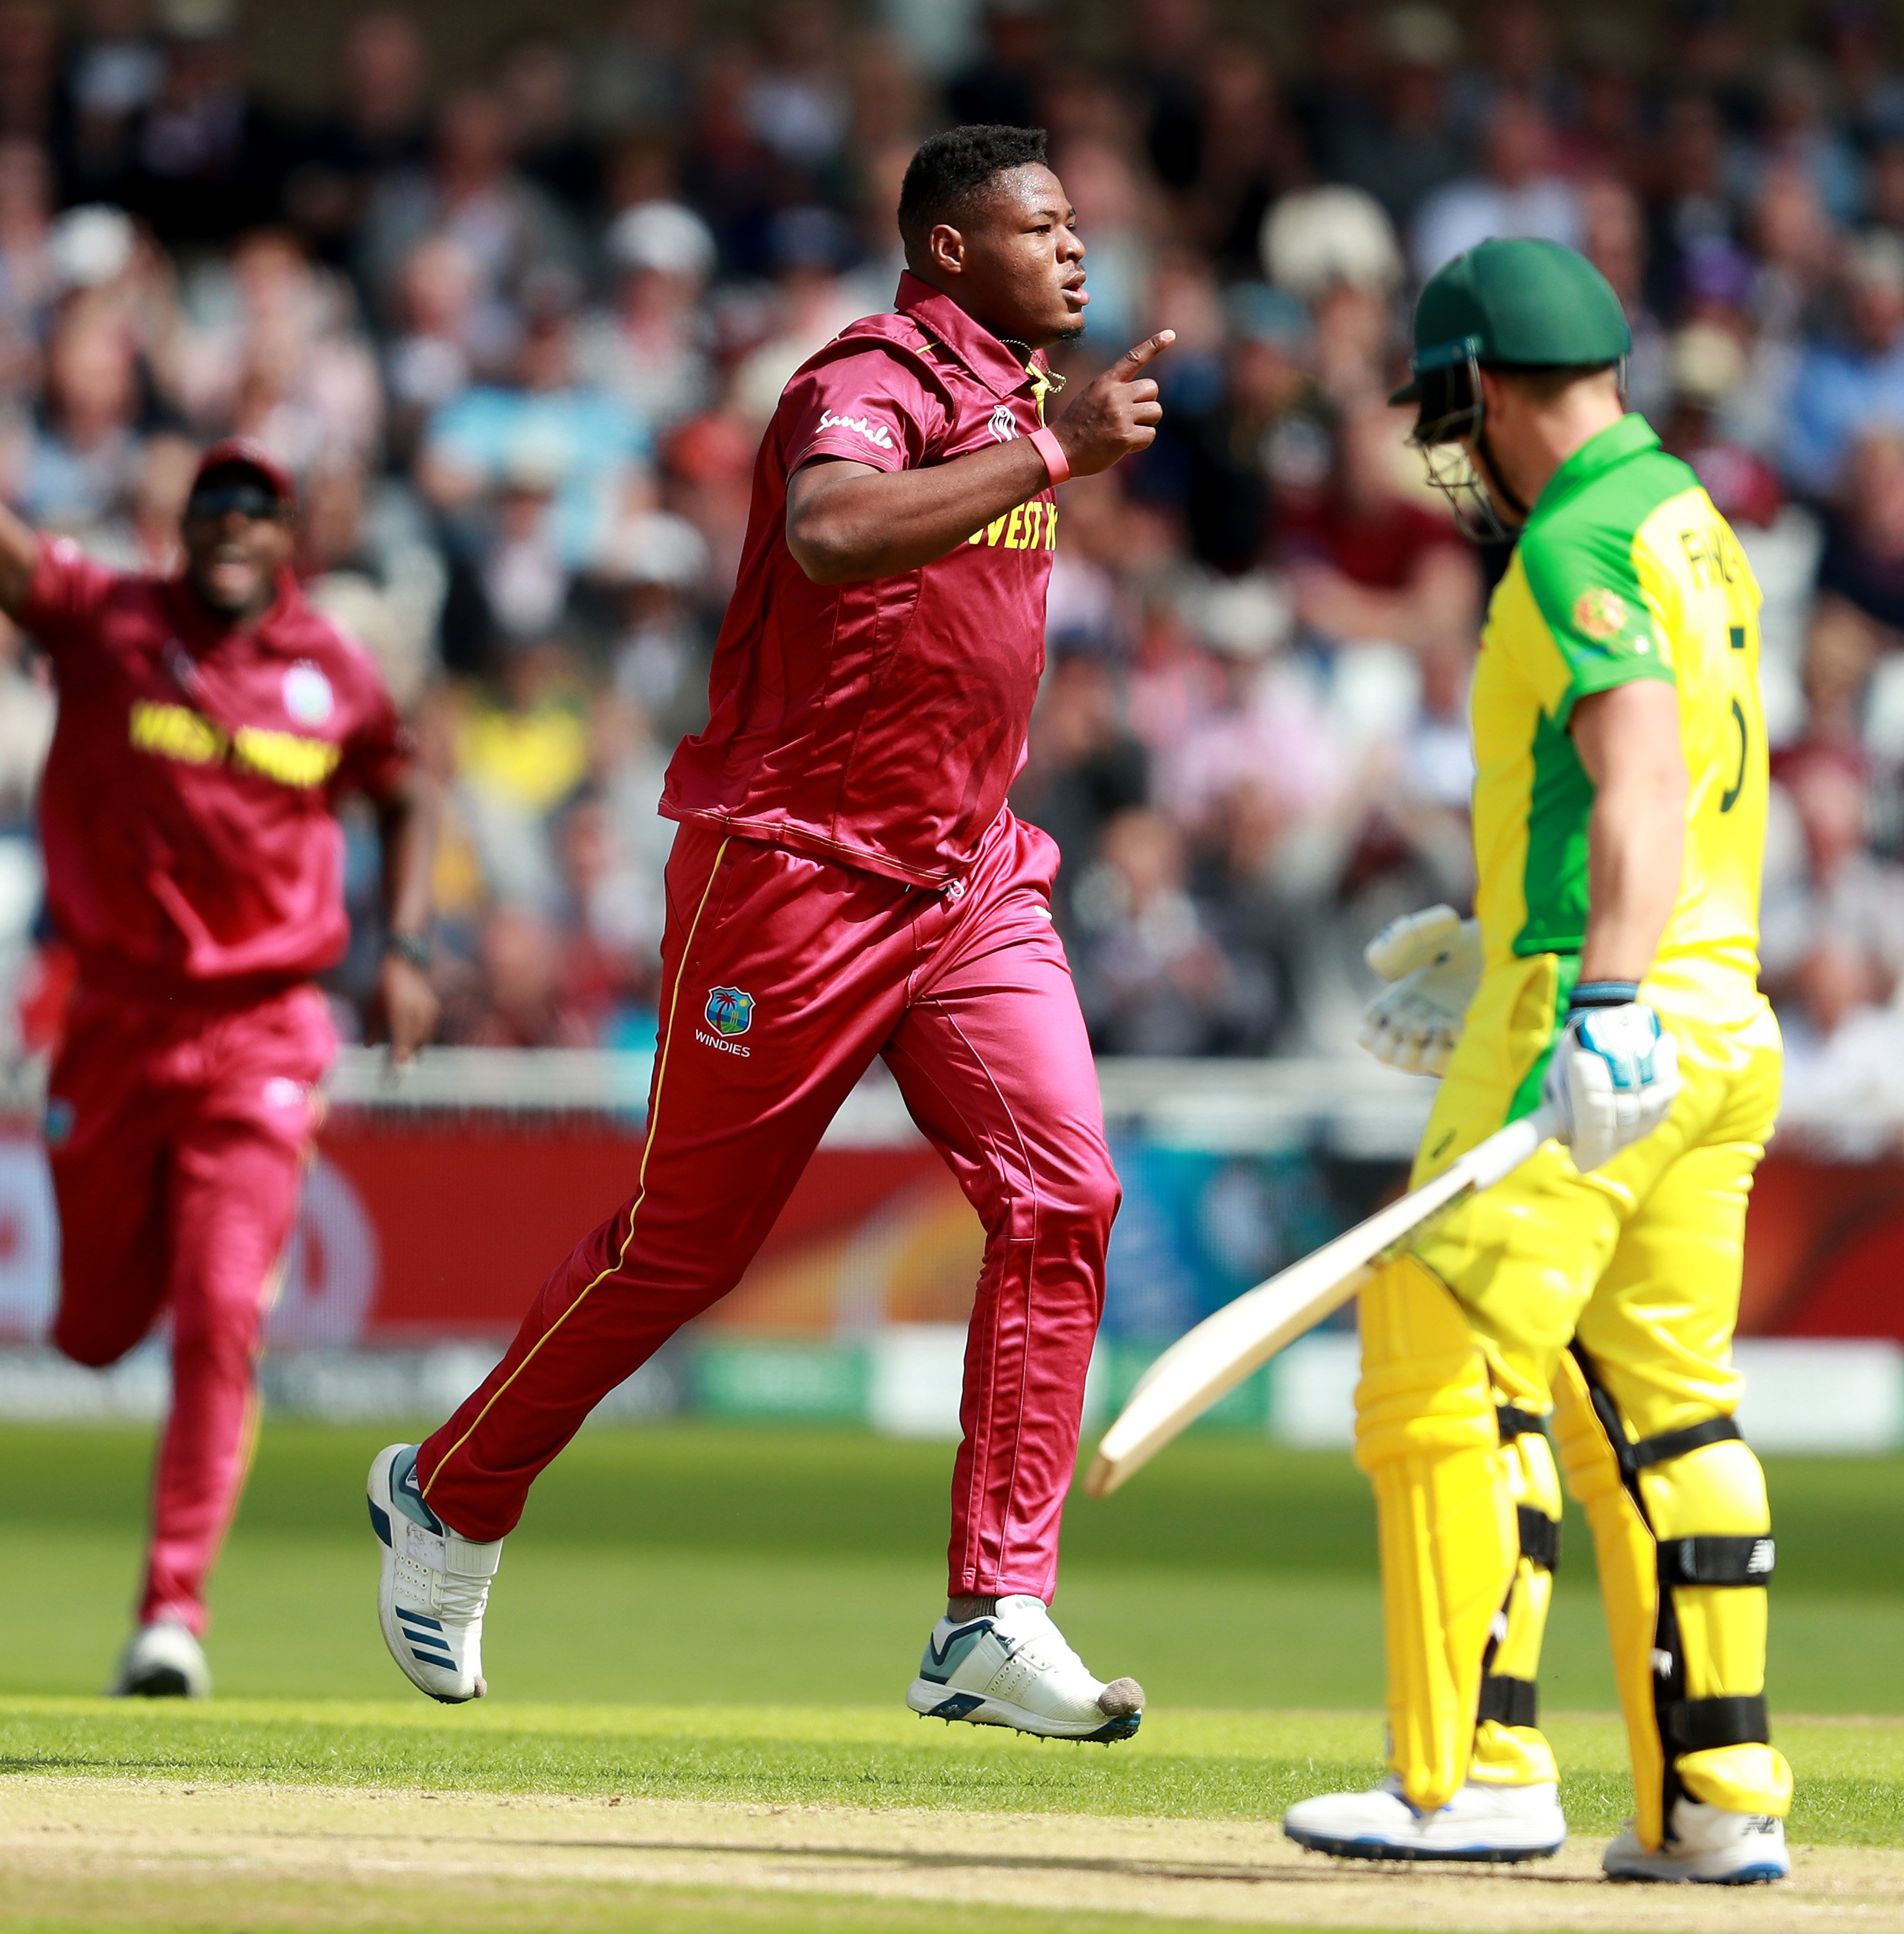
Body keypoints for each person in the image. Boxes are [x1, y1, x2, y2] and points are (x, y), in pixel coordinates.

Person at [367, 125, 1172, 1744]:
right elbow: (828, 532)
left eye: (1079, 226)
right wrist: (1052, 458)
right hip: (792, 873)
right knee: (688, 1245)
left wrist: (1046, 446)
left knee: (1064, 1191)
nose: (1076, 253)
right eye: (1041, 227)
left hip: (968, 881)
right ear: (950, 251)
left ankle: (989, 1611)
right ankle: (448, 1498)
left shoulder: (1023, 404)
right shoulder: (862, 374)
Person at [0, 179, 441, 1700]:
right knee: (91, 1335)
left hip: (269, 1029)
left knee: (222, 1310)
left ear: (287, 534)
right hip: (113, 1021)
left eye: (255, 509)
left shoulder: (332, 672)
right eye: (211, 505)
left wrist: (402, 941)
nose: (229, 526)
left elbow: (409, 791)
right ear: (182, 523)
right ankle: (129, 1350)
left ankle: (173, 1614)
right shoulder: (101, 617)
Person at [1287, 239, 1790, 1883]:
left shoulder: (1570, 539)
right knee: (1658, 1408)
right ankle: (1711, 1806)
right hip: (1718, 1018)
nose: (1451, 441)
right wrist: (1507, 925)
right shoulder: (1687, 522)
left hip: (1606, 1003)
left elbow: (1640, 778)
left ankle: (1465, 1777)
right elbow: (1641, 799)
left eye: (1451, 406)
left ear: (1487, 388)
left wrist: (1587, 994)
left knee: (1437, 1349)